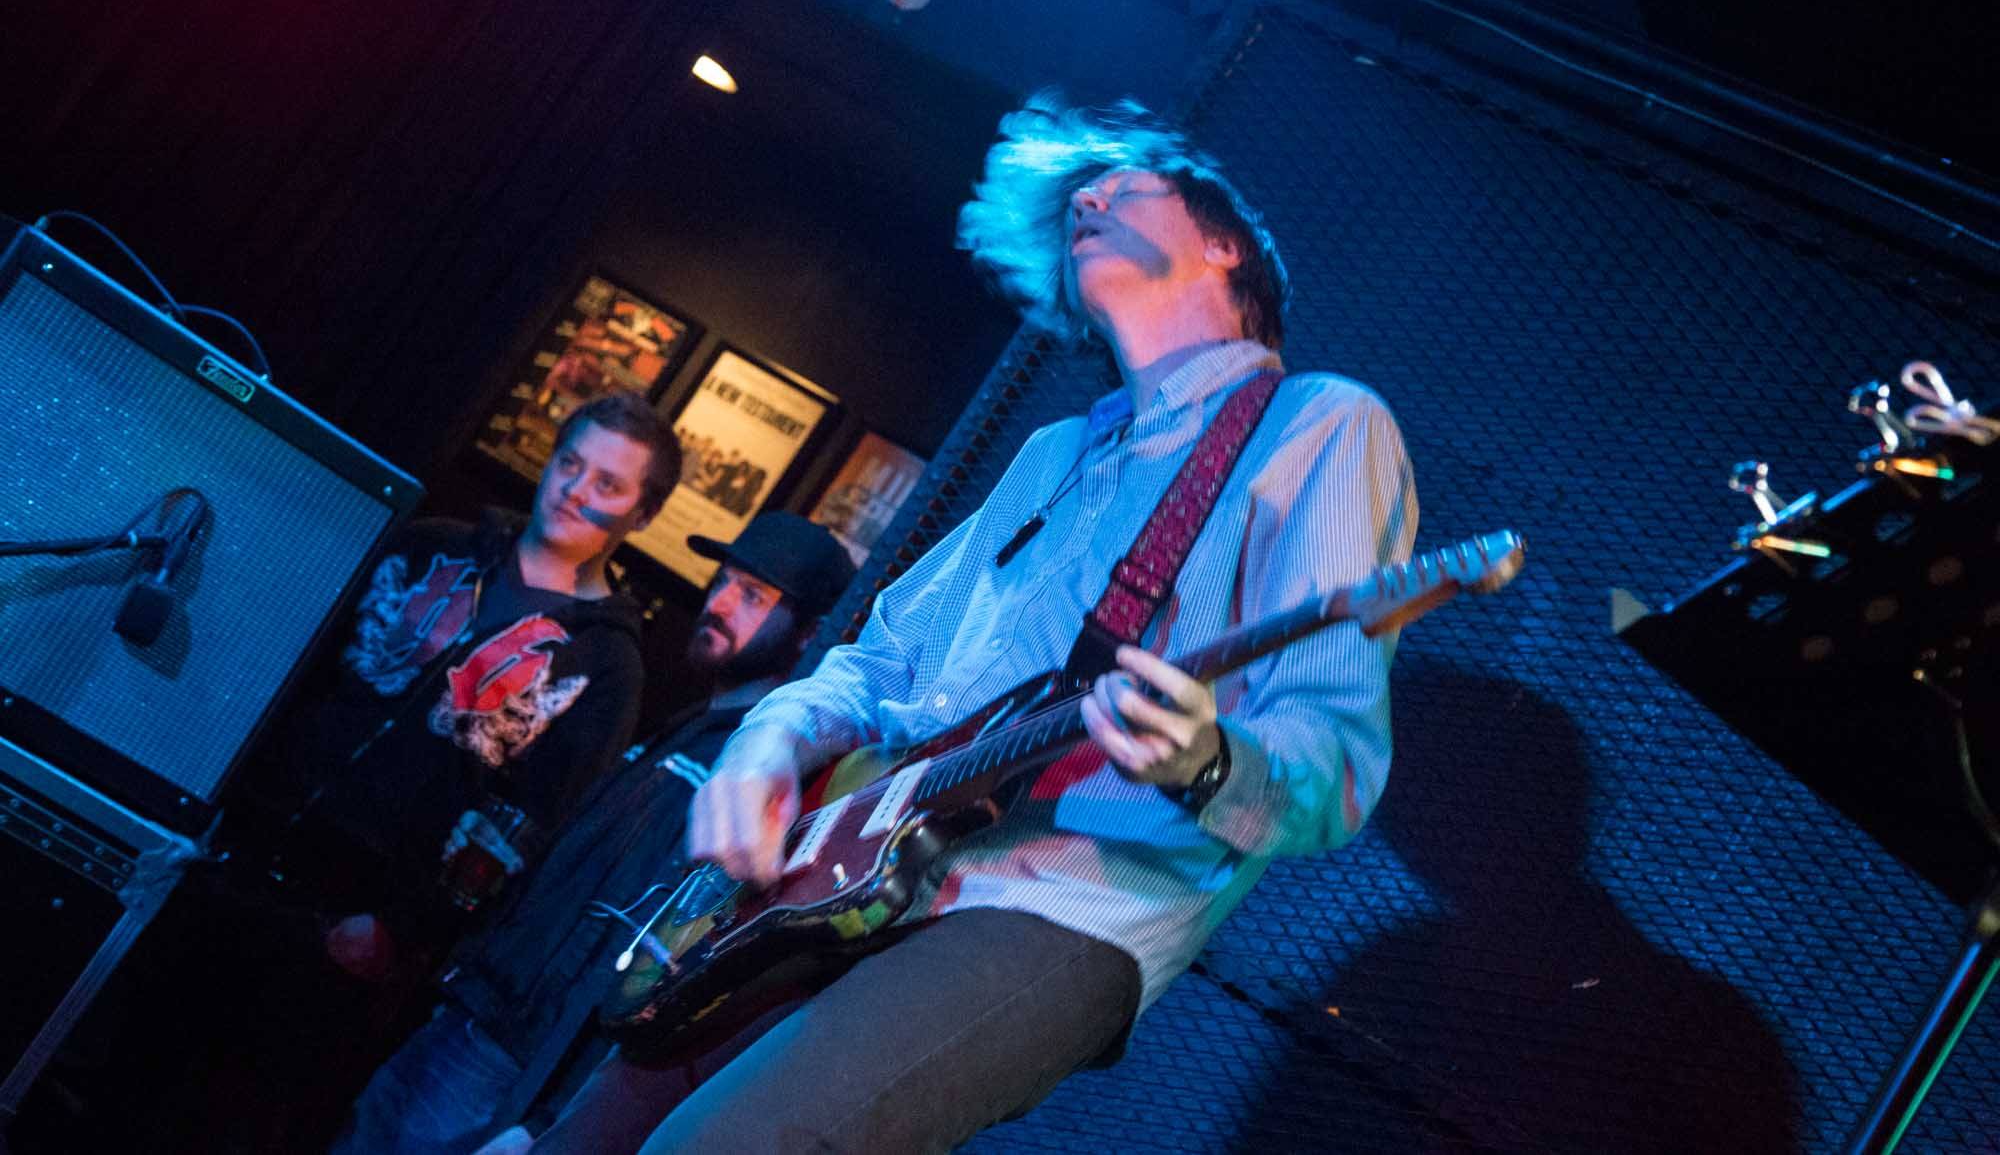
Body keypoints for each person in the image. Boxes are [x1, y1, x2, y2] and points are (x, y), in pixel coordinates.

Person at [526, 93, 1421, 1154]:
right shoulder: (1052, 453)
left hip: (1058, 902)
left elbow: (1335, 762)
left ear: (1223, 244)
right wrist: (766, 740)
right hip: (844, 862)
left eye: (1124, 184)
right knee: (585, 1133)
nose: (1085, 195)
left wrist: (1204, 758)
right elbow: (884, 660)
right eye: (1078, 193)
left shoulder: (1322, 425)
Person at [79, 391, 681, 1155]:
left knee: (228, 1122)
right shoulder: (430, 547)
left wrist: (404, 925)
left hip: (350, 922)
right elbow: (294, 675)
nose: (576, 490)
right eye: (570, 463)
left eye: (608, 484)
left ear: (640, 514)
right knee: (119, 1071)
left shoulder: (607, 662)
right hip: (234, 853)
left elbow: (525, 823)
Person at [331, 512, 857, 1155]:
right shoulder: (698, 721)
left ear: (808, 633)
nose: (718, 602)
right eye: (724, 580)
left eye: (752, 597)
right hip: (485, 1025)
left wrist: (547, 1112)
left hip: (515, 1061)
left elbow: (663, 953)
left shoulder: (755, 769)